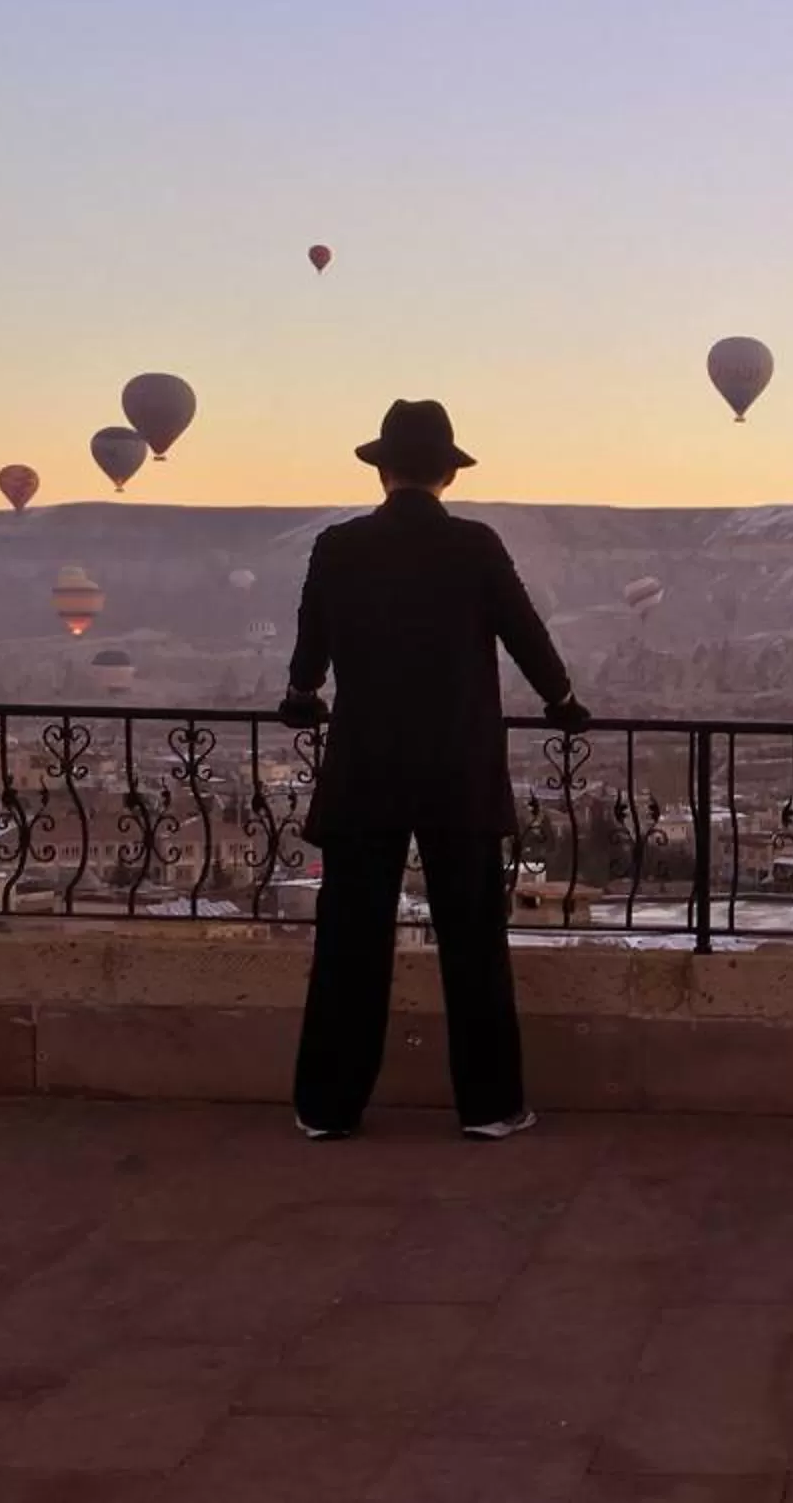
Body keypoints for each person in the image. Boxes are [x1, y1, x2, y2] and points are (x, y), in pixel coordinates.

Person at [280, 398, 591, 1143]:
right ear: (449, 474)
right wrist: (564, 701)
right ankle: (488, 1105)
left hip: (365, 767)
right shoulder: (476, 546)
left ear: (381, 469)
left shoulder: (338, 547)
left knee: (351, 941)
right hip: (458, 766)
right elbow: (526, 635)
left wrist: (301, 696)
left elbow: (310, 642)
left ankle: (327, 1105)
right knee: (473, 940)